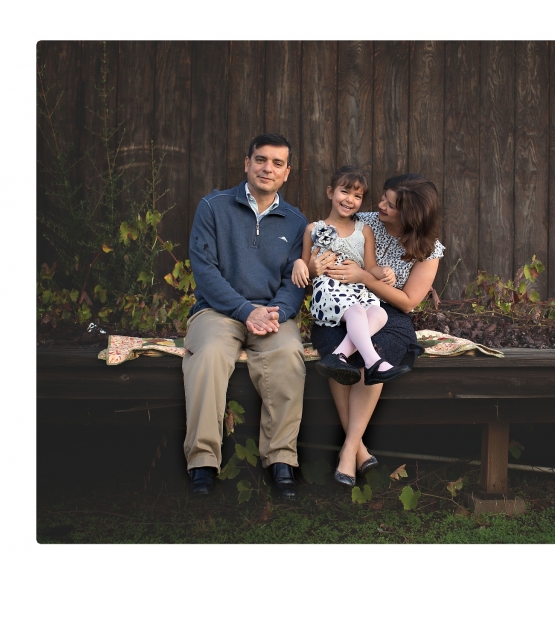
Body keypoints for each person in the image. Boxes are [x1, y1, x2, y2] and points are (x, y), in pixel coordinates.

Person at [182, 133, 307, 499]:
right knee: (208, 356)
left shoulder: (296, 222)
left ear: (287, 172)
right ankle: (203, 462)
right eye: (261, 160)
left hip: (271, 313)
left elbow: (294, 281)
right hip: (217, 311)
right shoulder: (213, 207)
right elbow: (205, 271)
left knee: (289, 354)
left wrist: (274, 313)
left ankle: (281, 459)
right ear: (247, 163)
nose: (268, 168)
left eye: (277, 163)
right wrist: (244, 310)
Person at [309, 174, 444, 487]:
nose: (381, 205)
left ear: (410, 215)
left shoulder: (428, 249)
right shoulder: (362, 221)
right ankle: (359, 450)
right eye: (383, 197)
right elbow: (324, 253)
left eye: (391, 204)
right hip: (345, 307)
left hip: (391, 315)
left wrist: (365, 277)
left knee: (374, 352)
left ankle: (348, 450)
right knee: (341, 351)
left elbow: (408, 302)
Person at [291, 166, 409, 389]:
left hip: (356, 290)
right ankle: (374, 362)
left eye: (357, 196)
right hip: (328, 290)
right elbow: (306, 267)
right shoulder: (313, 228)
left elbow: (370, 267)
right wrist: (299, 264)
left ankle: (338, 356)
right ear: (330, 192)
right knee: (356, 312)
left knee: (380, 313)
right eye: (344, 192)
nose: (350, 200)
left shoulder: (364, 230)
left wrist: (385, 272)